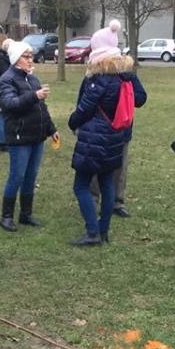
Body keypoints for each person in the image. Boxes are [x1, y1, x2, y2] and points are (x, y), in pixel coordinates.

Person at [67, 20, 146, 246]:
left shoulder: (98, 80)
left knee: (80, 185)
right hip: (115, 135)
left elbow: (83, 109)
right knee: (107, 182)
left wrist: (72, 122)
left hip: (96, 137)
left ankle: (92, 232)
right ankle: (103, 231)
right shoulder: (125, 76)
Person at [0, 37, 59, 232]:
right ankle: (6, 216)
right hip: (19, 137)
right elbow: (9, 104)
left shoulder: (32, 78)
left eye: (31, 56)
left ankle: (26, 214)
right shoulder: (6, 79)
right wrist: (34, 95)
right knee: (17, 176)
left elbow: (41, 108)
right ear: (16, 58)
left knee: (31, 177)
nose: (30, 60)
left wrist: (52, 129)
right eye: (26, 56)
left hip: (37, 136)